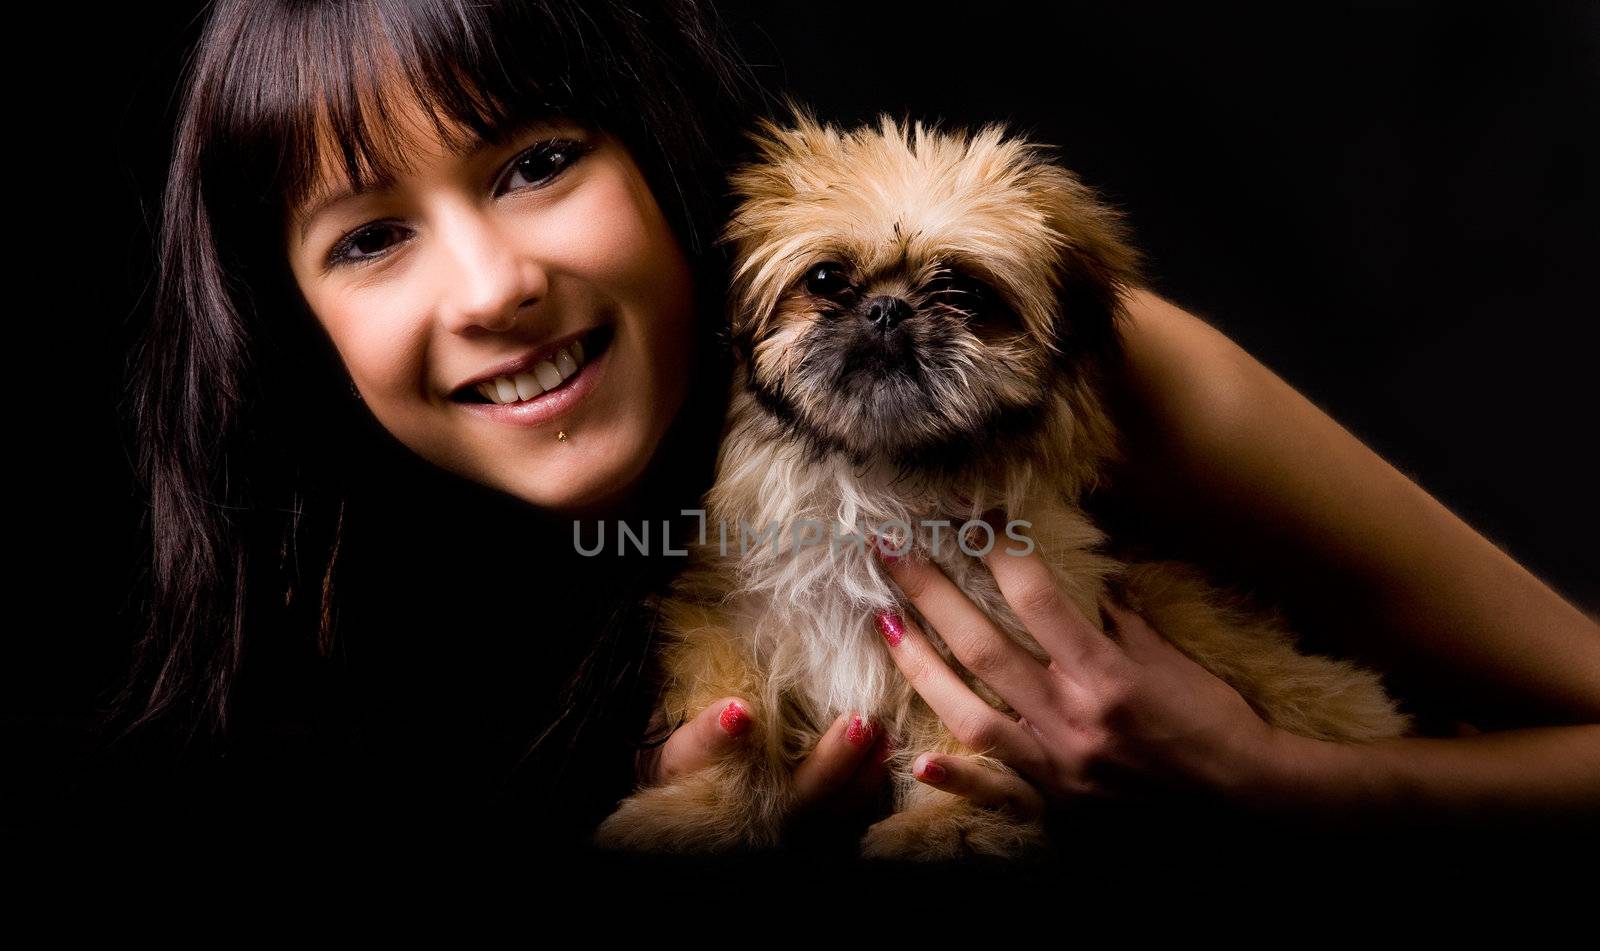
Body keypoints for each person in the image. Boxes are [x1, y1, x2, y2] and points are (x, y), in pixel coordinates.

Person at [93, 0, 1596, 855]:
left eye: (538, 161)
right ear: (280, 326)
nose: (494, 286)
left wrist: (1293, 791)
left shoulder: (1100, 384)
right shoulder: (294, 633)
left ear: (669, 144)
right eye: (366, 239)